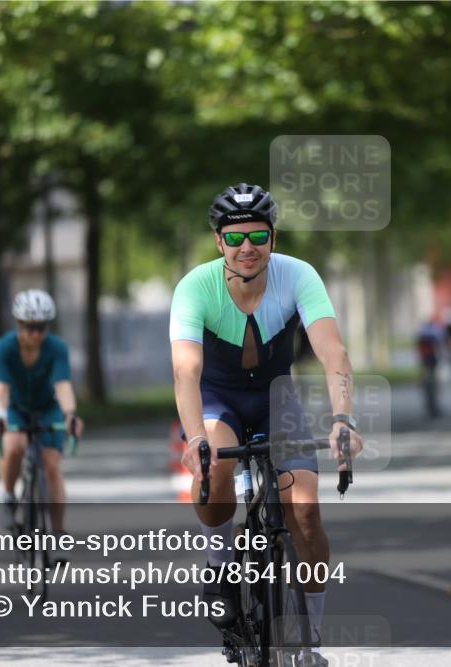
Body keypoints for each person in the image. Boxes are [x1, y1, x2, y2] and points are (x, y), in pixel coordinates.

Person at [170, 183, 363, 663]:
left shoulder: (299, 276)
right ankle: (219, 565)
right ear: (219, 243)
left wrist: (342, 417)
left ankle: (311, 641)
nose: (247, 248)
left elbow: (333, 351)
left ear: (273, 238)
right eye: (235, 239)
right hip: (218, 399)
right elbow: (186, 371)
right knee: (215, 474)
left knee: (305, 510)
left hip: (278, 398)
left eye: (257, 236)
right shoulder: (196, 287)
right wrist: (196, 439)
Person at [0, 289, 84, 532]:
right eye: (31, 327)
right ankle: (8, 496)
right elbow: (0, 389)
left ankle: (59, 532)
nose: (37, 334)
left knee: (52, 464)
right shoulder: (3, 348)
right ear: (19, 325)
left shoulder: (56, 347)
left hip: (47, 408)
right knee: (12, 446)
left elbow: (62, 385)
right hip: (15, 408)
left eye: (42, 327)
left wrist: (70, 414)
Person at [417, 317, 445, 417]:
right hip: (430, 363)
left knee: (429, 387)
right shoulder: (433, 334)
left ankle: (431, 407)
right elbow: (438, 346)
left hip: (427, 363)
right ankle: (432, 408)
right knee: (432, 387)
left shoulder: (423, 334)